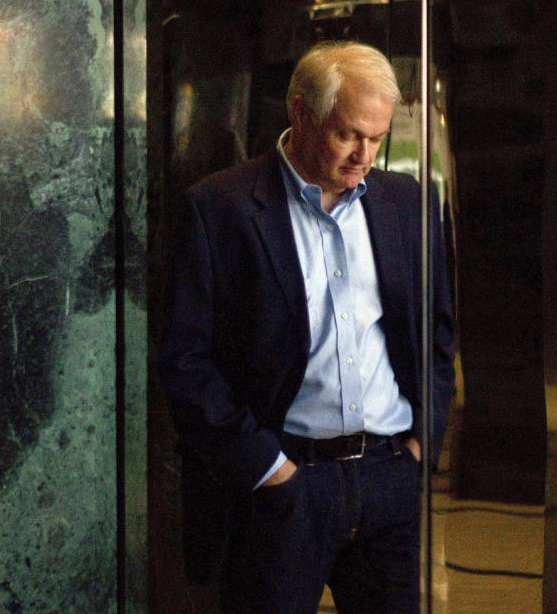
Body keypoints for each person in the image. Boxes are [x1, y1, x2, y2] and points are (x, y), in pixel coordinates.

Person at [159, 40, 455, 614]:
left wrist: (422, 444)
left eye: (377, 137)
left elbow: (437, 332)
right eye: (349, 134)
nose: (364, 155)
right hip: (284, 490)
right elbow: (185, 362)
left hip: (389, 479)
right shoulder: (219, 207)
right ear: (300, 113)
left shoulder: (405, 201)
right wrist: (269, 470)